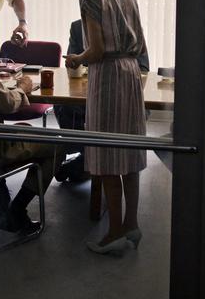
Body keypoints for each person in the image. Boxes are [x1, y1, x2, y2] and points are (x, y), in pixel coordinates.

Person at [64, 0, 148, 255]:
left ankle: (113, 232)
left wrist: (76, 57)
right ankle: (132, 224)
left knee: (108, 156)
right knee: (128, 153)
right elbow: (139, 41)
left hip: (108, 76)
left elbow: (96, 51)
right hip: (130, 74)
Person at [0, 54, 64, 234]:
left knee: (5, 130)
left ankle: (2, 194)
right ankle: (16, 211)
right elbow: (6, 104)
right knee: (57, 144)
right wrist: (22, 88)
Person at [53, 19, 150, 183]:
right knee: (64, 105)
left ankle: (86, 164)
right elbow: (74, 61)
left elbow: (143, 67)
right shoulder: (78, 27)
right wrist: (75, 61)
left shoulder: (130, 26)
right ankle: (87, 159)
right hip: (88, 92)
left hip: (124, 95)